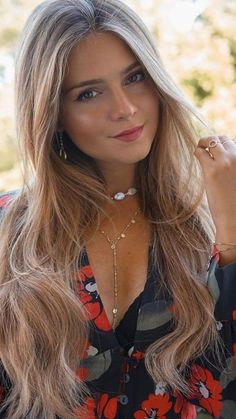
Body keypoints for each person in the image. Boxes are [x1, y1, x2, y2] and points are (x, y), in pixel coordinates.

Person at [0, 0, 235, 417]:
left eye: (135, 77)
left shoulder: (209, 222)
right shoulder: (8, 232)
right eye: (88, 93)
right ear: (53, 113)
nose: (124, 107)